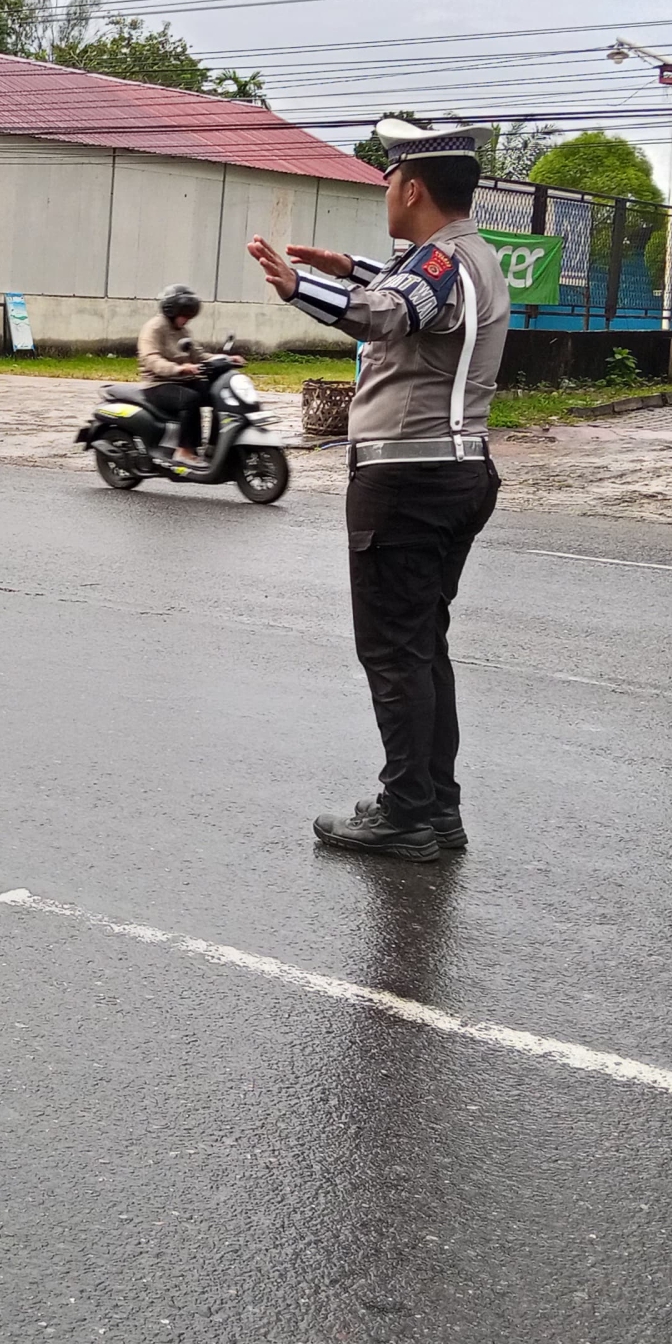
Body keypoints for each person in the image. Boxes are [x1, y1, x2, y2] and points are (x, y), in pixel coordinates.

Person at [248, 117, 508, 862]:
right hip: (455, 471)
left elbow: (391, 313)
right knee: (423, 648)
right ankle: (434, 806)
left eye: (389, 179)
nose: (386, 190)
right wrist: (351, 265)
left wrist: (305, 289)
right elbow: (410, 291)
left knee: (394, 652)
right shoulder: (470, 257)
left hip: (409, 478)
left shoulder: (438, 266)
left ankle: (406, 812)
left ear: (415, 186)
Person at [136, 283, 242, 465]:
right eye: (184, 314)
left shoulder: (182, 330)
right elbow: (151, 359)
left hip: (182, 381)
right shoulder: (154, 328)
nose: (187, 319)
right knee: (190, 399)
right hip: (157, 384)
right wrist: (179, 368)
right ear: (172, 310)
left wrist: (225, 359)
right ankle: (184, 451)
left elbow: (198, 355)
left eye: (189, 314)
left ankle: (213, 446)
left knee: (219, 394)